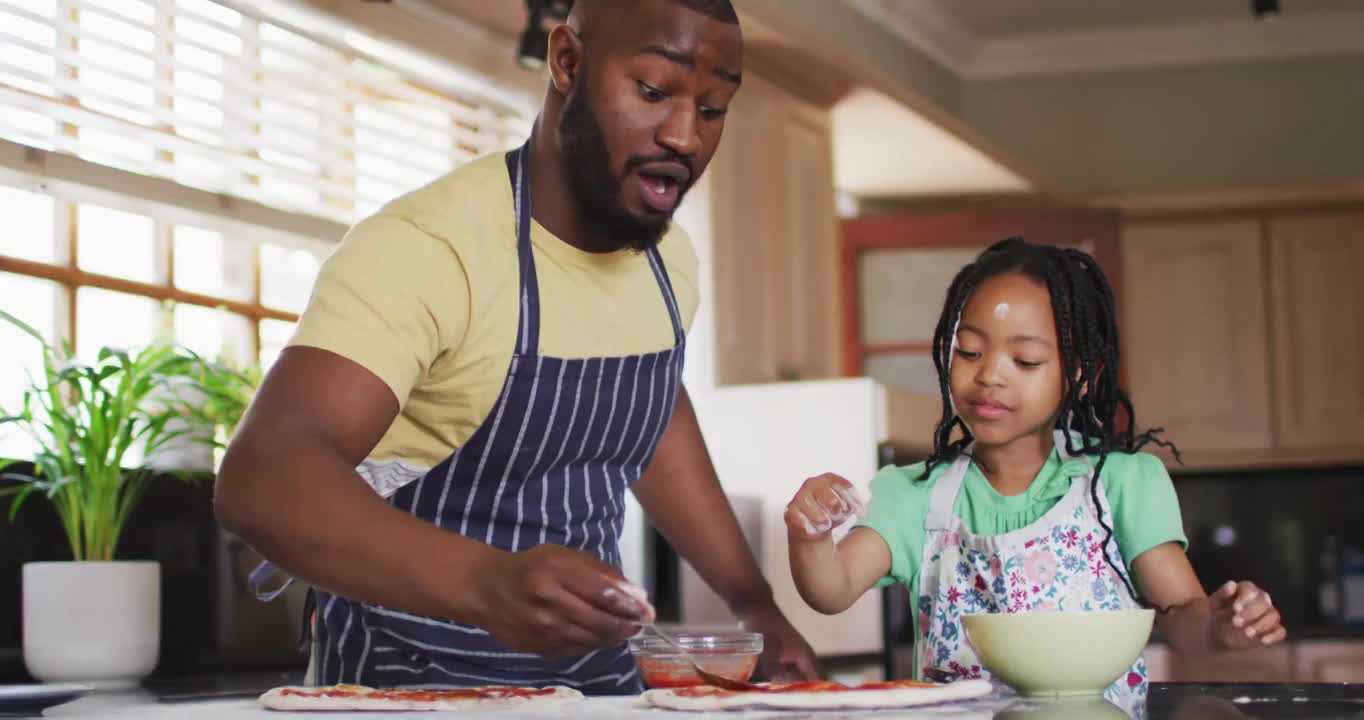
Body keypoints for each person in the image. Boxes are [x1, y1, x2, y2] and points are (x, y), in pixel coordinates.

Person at [215, 0, 817, 695]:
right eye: (652, 91)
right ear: (566, 62)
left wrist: (754, 601)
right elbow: (263, 477)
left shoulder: (667, 263)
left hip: (594, 691)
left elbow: (653, 416)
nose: (684, 136)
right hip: (407, 688)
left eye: (712, 109)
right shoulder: (430, 248)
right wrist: (486, 582)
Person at [784, 238, 1285, 711]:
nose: (990, 376)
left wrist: (1221, 626)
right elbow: (832, 589)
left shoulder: (1121, 485)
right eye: (970, 352)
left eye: (1024, 360)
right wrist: (810, 536)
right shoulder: (917, 495)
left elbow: (1181, 616)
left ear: (1080, 376)